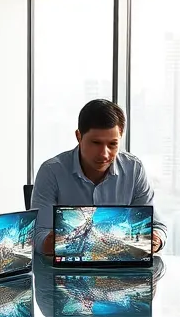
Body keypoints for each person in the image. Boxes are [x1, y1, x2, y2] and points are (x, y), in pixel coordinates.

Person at [30, 99, 167, 255]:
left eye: (113, 144)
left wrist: (156, 240)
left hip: (123, 271)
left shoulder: (134, 169)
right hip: (66, 270)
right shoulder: (51, 171)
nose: (104, 154)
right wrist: (57, 241)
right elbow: (38, 235)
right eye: (96, 143)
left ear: (121, 136)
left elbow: (157, 226)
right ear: (78, 136)